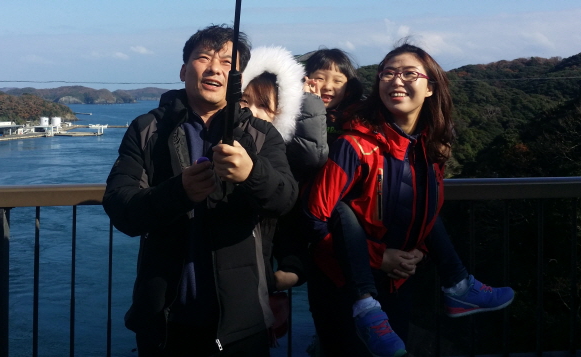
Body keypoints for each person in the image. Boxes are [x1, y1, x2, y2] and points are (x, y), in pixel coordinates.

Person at [303, 43, 515, 357]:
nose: (396, 80)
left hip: (398, 281)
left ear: (430, 88)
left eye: (408, 73)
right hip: (343, 287)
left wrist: (417, 252)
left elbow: (421, 209)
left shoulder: (429, 146)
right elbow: (315, 218)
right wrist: (380, 258)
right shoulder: (355, 145)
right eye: (388, 73)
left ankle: (459, 286)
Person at [103, 25, 298, 357]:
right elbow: (121, 207)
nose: (215, 69)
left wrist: (252, 173)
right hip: (164, 318)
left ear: (238, 79)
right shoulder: (147, 129)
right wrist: (178, 192)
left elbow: (286, 198)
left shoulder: (261, 134)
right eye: (204, 58)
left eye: (227, 63)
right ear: (183, 70)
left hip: (242, 320)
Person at [240, 46, 328, 295]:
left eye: (263, 105)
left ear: (280, 114)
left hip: (257, 285)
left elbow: (290, 229)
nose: (251, 112)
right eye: (244, 101)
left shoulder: (285, 165)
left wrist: (289, 272)